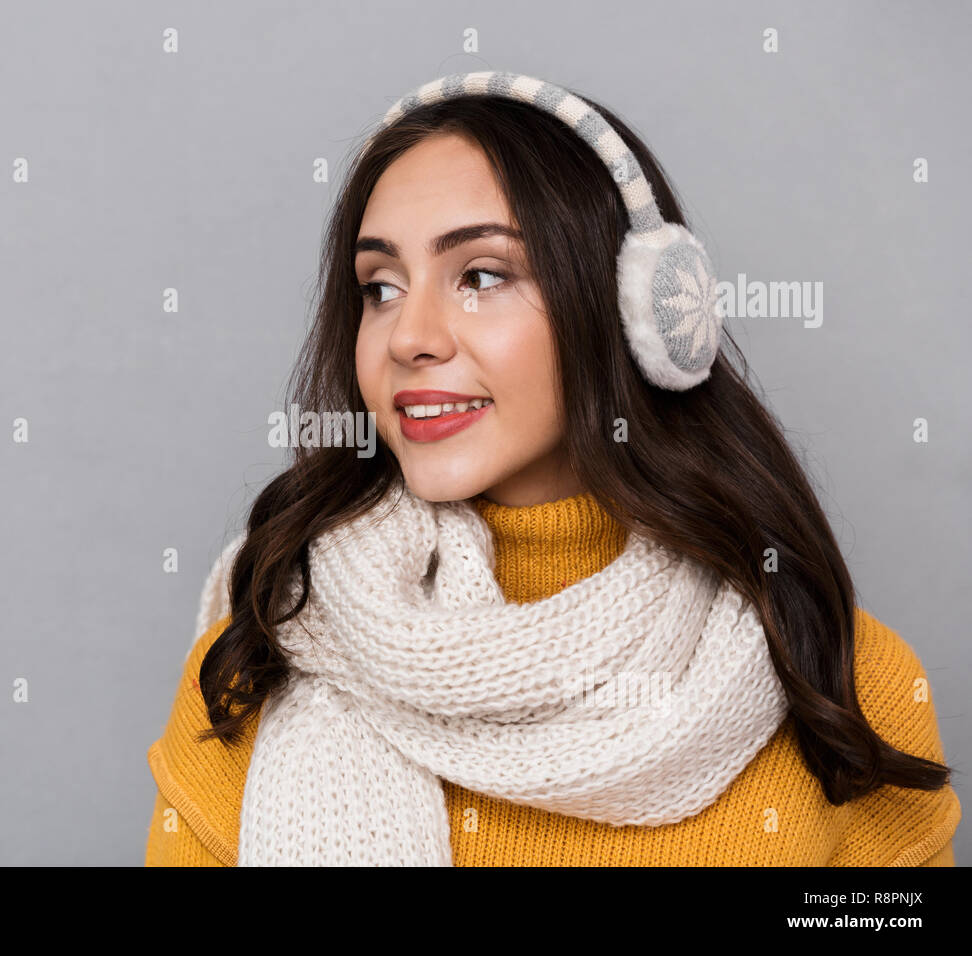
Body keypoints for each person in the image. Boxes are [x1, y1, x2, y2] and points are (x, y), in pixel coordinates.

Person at [145, 72, 959, 866]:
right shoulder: (260, 653)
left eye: (482, 276)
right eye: (380, 287)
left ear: (635, 312)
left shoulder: (836, 674)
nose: (408, 337)